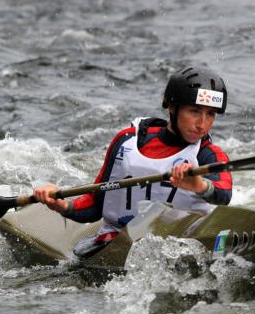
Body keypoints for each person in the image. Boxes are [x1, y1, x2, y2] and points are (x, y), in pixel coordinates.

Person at [32, 65, 232, 257]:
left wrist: (199, 185)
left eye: (211, 114)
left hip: (179, 246)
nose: (202, 124)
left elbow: (223, 194)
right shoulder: (126, 141)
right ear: (172, 107)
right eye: (195, 111)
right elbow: (96, 204)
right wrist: (63, 205)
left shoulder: (209, 155)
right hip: (116, 242)